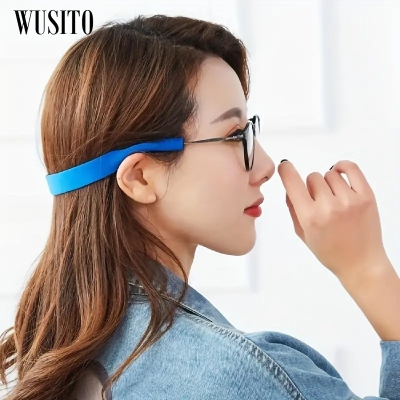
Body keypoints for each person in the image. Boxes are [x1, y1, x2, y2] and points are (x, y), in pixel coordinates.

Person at [0, 14, 399, 400]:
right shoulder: (238, 375)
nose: (265, 166)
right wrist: (368, 269)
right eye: (235, 136)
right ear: (140, 177)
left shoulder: (57, 345)